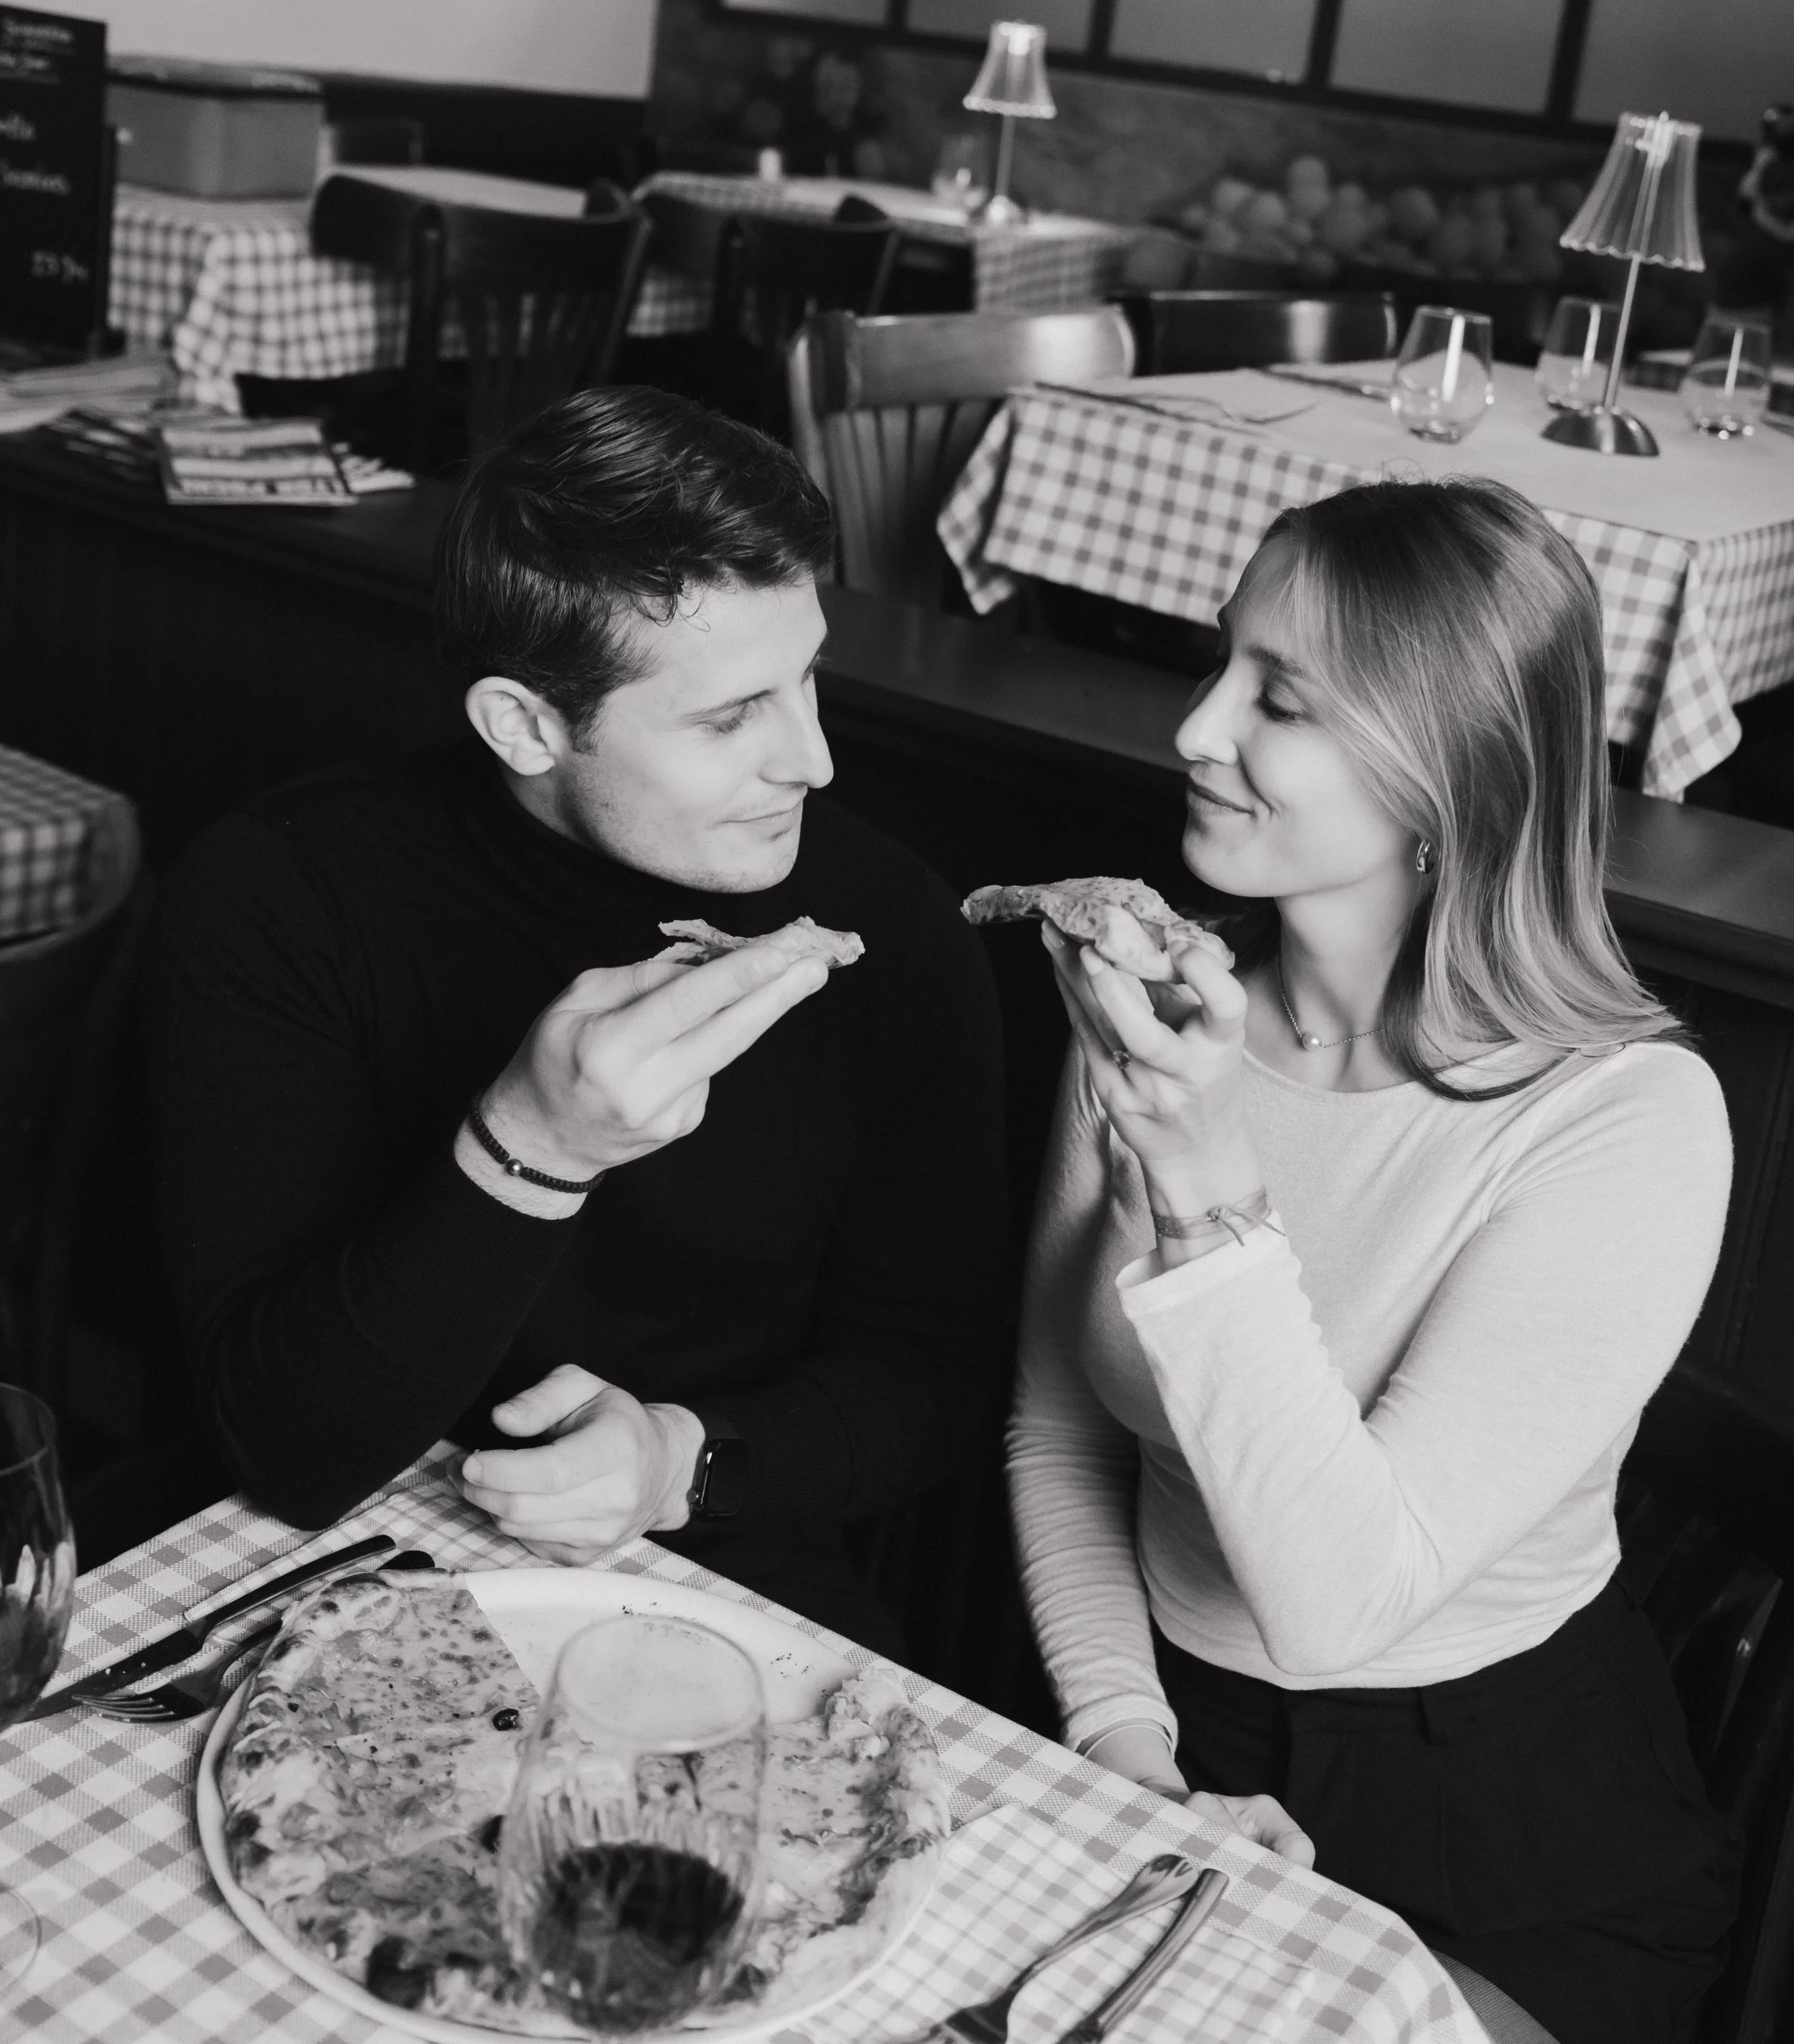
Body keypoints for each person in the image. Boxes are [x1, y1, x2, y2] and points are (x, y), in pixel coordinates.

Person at [1008, 479, 1738, 2044]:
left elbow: (1338, 1605)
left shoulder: (1626, 1121)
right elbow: (1059, 1432)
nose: (1196, 728)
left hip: (1495, 1819)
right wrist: (1127, 1752)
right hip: (1168, 1726)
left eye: (1278, 701)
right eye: (1220, 662)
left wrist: (1204, 1186)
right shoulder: (1163, 1007)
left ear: (1444, 770)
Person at [150, 386, 1005, 1656]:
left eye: (807, 679)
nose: (814, 762)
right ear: (526, 726)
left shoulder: (891, 926)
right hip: (324, 1550)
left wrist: (680, 1463)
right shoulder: (280, 897)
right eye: (729, 716)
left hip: (718, 1567)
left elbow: (932, 1373)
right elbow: (287, 1451)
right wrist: (532, 1150)